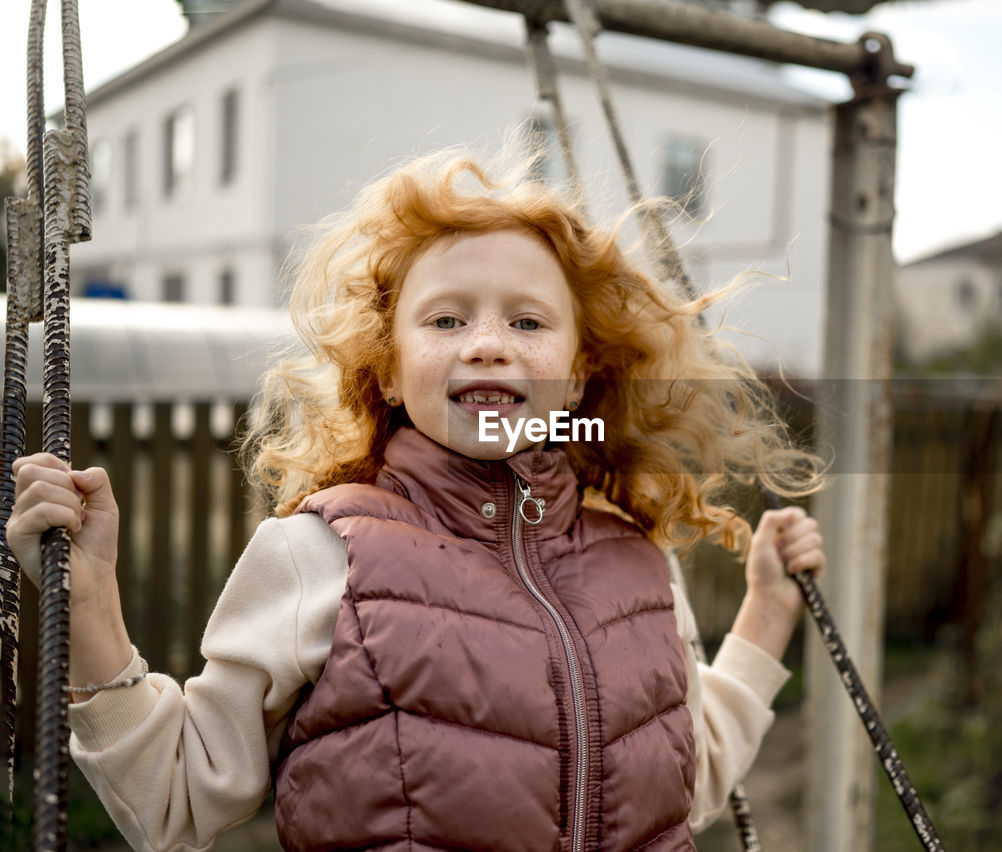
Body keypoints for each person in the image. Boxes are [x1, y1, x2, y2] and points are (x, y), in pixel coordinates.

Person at [6, 150, 825, 851]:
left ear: (578, 373)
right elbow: (175, 801)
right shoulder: (322, 555)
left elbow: (688, 778)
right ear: (389, 369)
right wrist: (89, 610)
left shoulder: (636, 558)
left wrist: (765, 614)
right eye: (445, 319)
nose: (488, 342)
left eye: (530, 322)